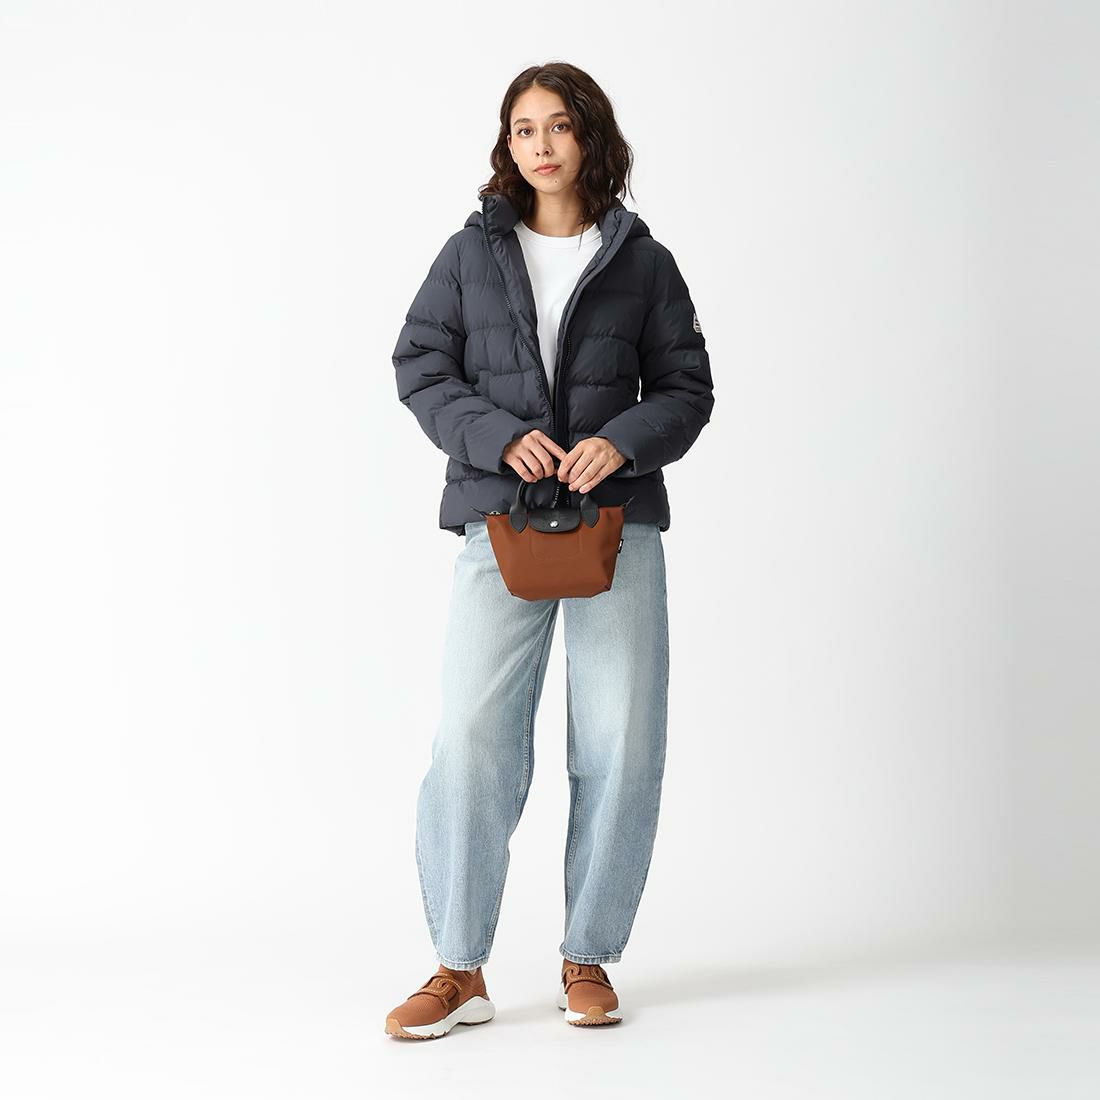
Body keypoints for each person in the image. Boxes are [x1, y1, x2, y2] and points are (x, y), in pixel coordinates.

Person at [385, 61, 715, 1039]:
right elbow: (421, 366)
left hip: (617, 523)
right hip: (500, 518)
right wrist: (495, 437)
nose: (539, 143)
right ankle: (458, 967)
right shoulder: (468, 253)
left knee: (621, 740)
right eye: (522, 127)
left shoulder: (642, 262)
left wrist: (624, 442)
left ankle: (587, 956)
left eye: (558, 125)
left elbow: (687, 387)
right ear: (507, 144)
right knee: (470, 738)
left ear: (589, 137)